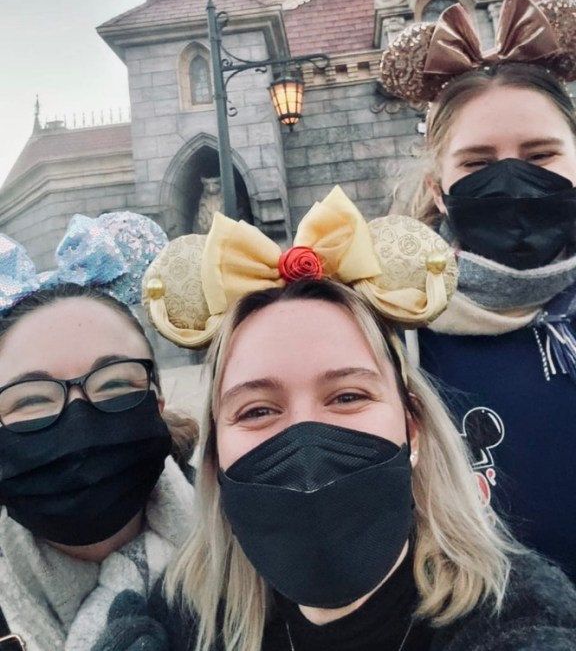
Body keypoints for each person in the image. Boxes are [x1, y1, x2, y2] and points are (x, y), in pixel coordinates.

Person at [95, 187, 576, 650]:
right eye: (258, 410)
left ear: (413, 428)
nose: (305, 439)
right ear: (216, 454)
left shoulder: (519, 615)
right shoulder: (176, 622)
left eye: (347, 396)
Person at [380, 0, 576, 582]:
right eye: (476, 162)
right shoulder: (392, 326)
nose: (510, 179)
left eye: (540, 155)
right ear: (439, 187)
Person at [0, 211, 197, 651]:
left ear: (157, 405)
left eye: (112, 385)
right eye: (31, 400)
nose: (78, 420)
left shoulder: (259, 551)